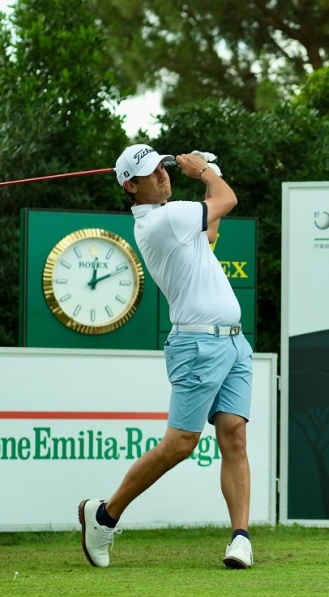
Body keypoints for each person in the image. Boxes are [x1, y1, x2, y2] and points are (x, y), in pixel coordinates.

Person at [78, 144, 254, 569]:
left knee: (234, 437)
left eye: (162, 167)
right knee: (180, 444)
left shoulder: (176, 218)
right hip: (197, 345)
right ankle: (103, 517)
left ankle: (240, 539)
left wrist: (209, 173)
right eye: (149, 173)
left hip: (232, 342)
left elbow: (210, 230)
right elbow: (226, 200)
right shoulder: (161, 221)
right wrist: (204, 172)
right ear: (130, 186)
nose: (161, 176)